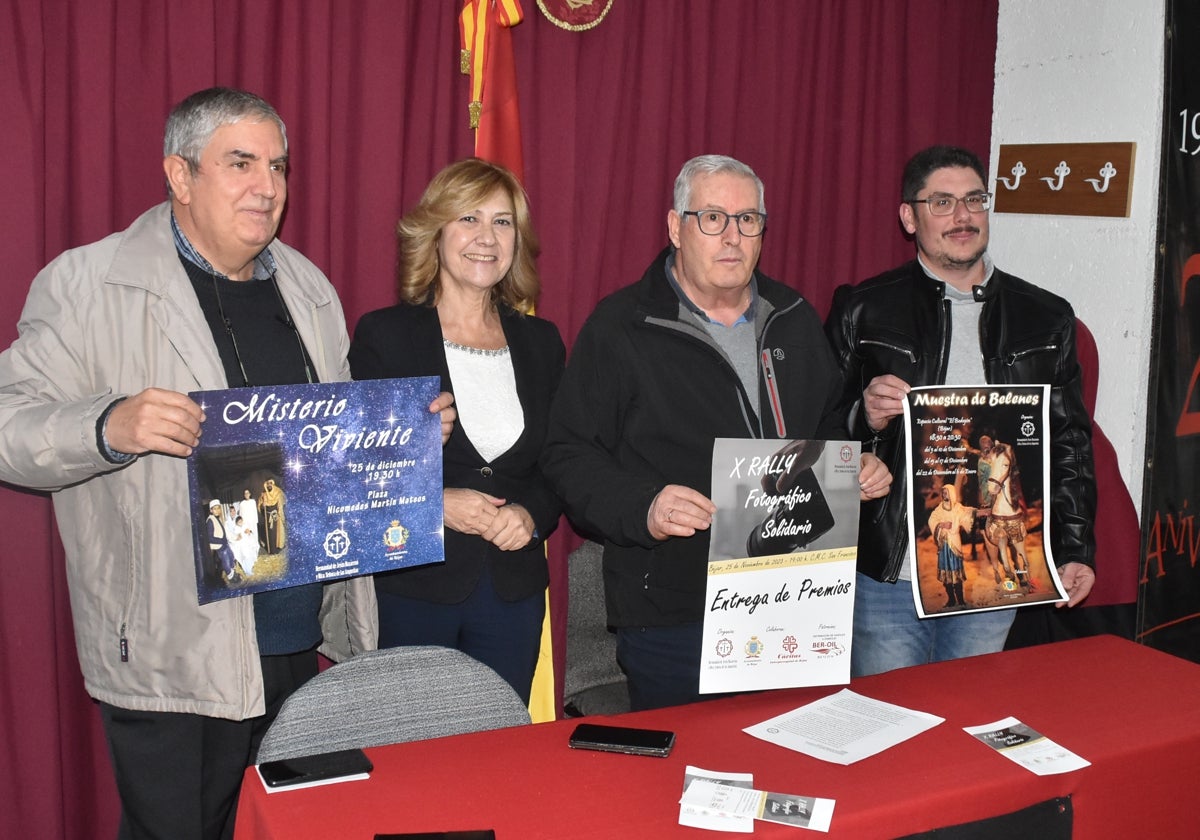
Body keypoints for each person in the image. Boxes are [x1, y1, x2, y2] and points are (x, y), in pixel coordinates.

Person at [0, 87, 454, 840]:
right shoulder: (87, 284)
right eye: (240, 164)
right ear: (179, 177)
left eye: (277, 166)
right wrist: (108, 424)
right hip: (174, 651)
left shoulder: (306, 286)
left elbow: (325, 452)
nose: (268, 187)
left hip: (294, 639)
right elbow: (8, 423)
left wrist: (400, 444)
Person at [541, 154, 891, 711]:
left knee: (794, 766)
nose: (732, 236)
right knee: (691, 783)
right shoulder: (622, 326)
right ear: (676, 227)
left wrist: (856, 463)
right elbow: (568, 454)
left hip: (796, 594)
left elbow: (825, 426)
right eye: (712, 218)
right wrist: (644, 506)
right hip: (674, 611)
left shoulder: (794, 315)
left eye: (748, 219)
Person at [825, 144, 1096, 677]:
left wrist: (1076, 546)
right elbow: (814, 426)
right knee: (888, 728)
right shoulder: (863, 308)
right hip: (888, 571)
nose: (963, 216)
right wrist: (865, 419)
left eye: (974, 199)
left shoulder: (1045, 317)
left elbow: (1067, 442)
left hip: (994, 571)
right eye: (942, 202)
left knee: (972, 724)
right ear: (909, 216)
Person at [349, 158, 564, 705]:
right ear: (435, 232)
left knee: (498, 756)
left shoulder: (542, 342)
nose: (486, 238)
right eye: (468, 218)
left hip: (513, 585)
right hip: (417, 581)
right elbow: (352, 472)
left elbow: (562, 459)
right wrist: (436, 502)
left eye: (502, 222)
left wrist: (532, 514)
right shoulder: (386, 336)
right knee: (413, 756)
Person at [926, 485, 977, 609]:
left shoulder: (958, 508)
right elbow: (932, 519)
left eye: (946, 493)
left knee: (957, 573)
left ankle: (960, 600)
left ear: (952, 494)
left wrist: (977, 512)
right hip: (943, 545)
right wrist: (941, 524)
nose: (944, 495)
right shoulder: (939, 508)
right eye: (943, 493)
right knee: (946, 574)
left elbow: (967, 512)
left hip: (954, 544)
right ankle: (951, 600)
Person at [258, 477, 286, 553]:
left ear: (273, 484)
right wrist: (262, 506)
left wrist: (280, 514)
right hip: (268, 517)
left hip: (276, 516)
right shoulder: (264, 494)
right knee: (270, 534)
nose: (269, 485)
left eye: (270, 483)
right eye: (267, 484)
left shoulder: (278, 492)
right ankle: (271, 550)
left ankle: (277, 548)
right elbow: (259, 506)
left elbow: (281, 504)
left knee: (277, 533)